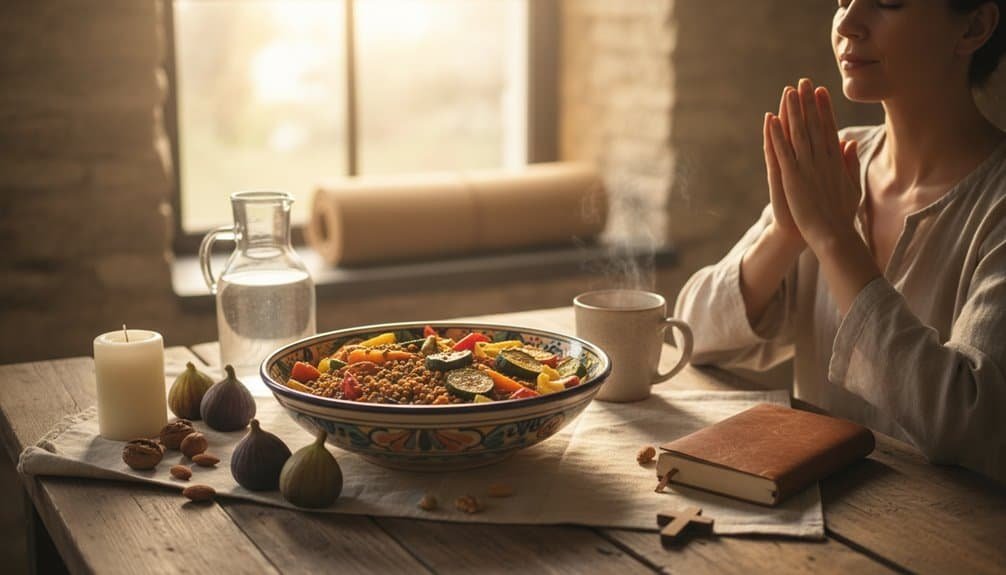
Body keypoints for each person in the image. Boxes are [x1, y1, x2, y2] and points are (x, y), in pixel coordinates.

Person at [674, 0, 1006, 482]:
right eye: (842, 0)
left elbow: (964, 424)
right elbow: (691, 335)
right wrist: (786, 233)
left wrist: (833, 238)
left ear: (974, 26)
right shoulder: (834, 166)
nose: (847, 24)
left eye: (886, 3)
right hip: (812, 524)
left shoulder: (994, 201)